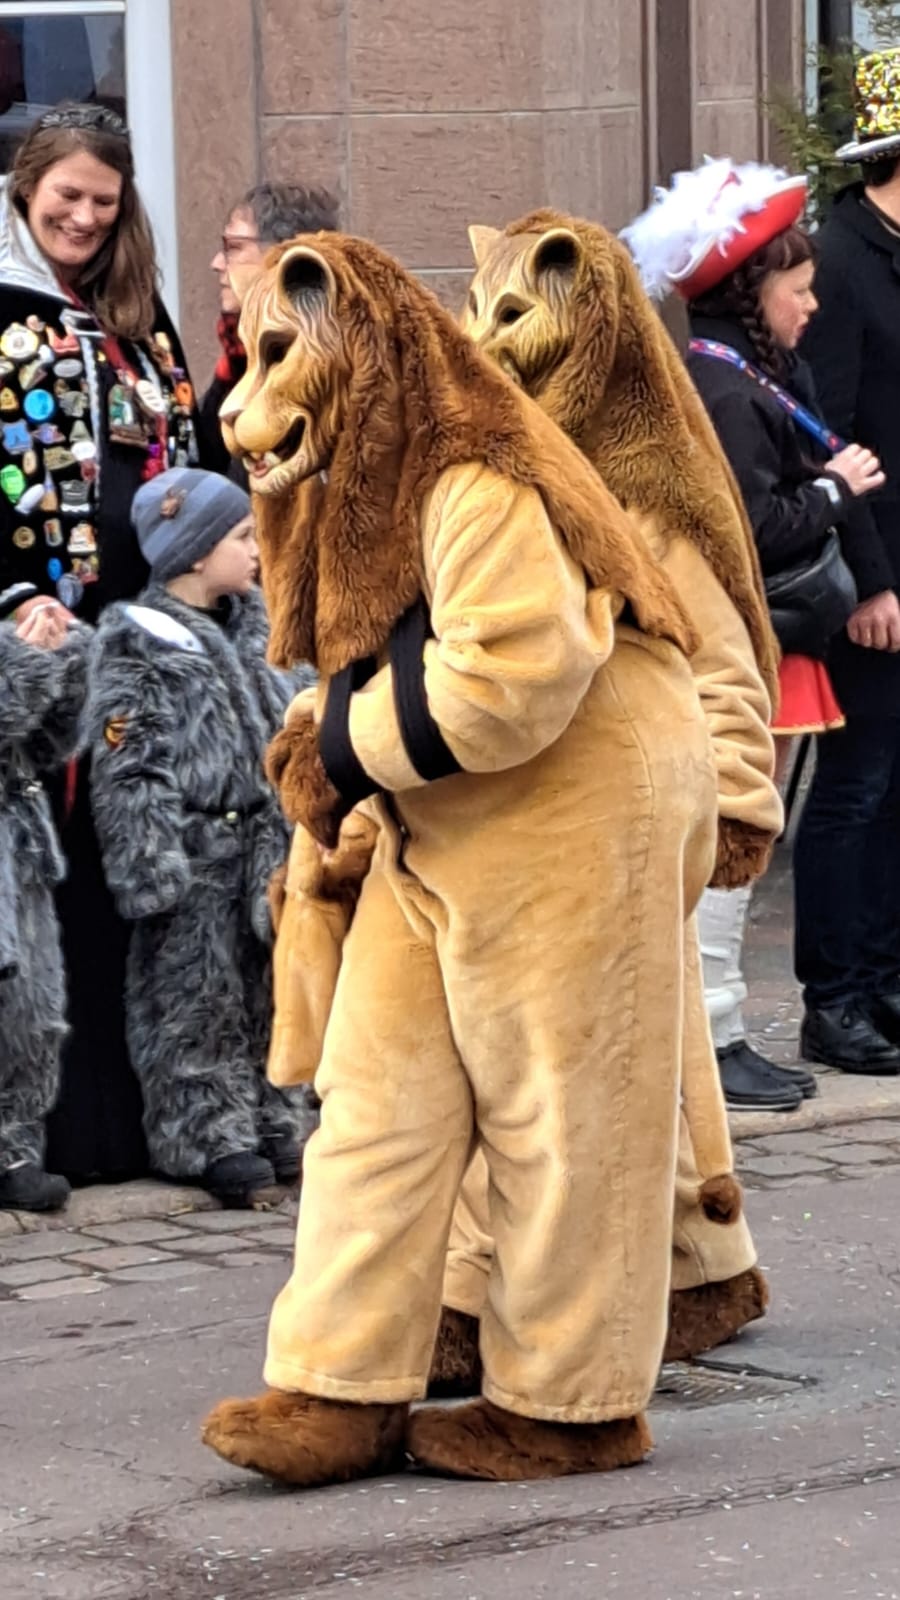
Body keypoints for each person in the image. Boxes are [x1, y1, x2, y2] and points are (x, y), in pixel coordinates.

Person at [200, 233, 717, 1486]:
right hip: (451, 812)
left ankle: (568, 1404)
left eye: (278, 361)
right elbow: (387, 656)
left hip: (580, 805)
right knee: (373, 1107)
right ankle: (338, 1383)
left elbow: (517, 670)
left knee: (562, 1114)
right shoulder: (363, 475)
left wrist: (345, 747)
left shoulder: (476, 472)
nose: (241, 404)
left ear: (356, 359)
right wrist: (338, 751)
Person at [422, 205, 783, 1401]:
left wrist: (737, 802)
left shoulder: (645, 486)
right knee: (625, 1066)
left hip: (620, 811)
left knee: (550, 1075)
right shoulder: (493, 469)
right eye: (478, 313)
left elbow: (723, 654)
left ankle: (478, 1303)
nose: (488, 341)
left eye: (515, 316)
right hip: (519, 807)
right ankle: (699, 1265)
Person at [627, 159, 885, 1107]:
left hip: (768, 634)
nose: (811, 304)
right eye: (797, 288)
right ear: (751, 290)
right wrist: (834, 492)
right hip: (742, 639)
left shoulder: (751, 373)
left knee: (751, 821)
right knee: (736, 825)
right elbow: (746, 527)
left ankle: (721, 1022)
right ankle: (714, 1026)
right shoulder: (726, 388)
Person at [0, 102, 209, 1182]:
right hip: (34, 648)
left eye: (102, 201)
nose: (82, 218)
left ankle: (133, 1124)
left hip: (141, 640)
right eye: (66, 196)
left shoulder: (138, 312)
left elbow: (193, 456)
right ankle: (40, 1131)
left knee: (135, 870)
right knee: (41, 890)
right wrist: (11, 598)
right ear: (24, 189)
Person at [83, 469, 311, 1207]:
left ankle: (277, 1117)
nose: (256, 551)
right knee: (196, 1002)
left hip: (269, 850)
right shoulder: (138, 640)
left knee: (272, 993)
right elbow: (129, 760)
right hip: (196, 856)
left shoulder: (261, 629)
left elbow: (302, 717)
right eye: (242, 537)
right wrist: (149, 864)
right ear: (194, 551)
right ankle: (210, 1135)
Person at [795, 47, 900, 1074]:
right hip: (876, 571)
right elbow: (827, 433)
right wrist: (870, 581)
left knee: (897, 785)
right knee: (856, 786)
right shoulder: (842, 259)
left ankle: (886, 974)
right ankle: (834, 999)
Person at [0, 588, 89, 1211]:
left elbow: (50, 747)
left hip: (21, 847)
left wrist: (66, 662)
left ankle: (15, 1152)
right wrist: (27, 663)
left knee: (31, 1013)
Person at [201, 183, 340, 485]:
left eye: (234, 248)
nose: (217, 263)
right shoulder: (238, 359)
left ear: (283, 256)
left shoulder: (315, 365)